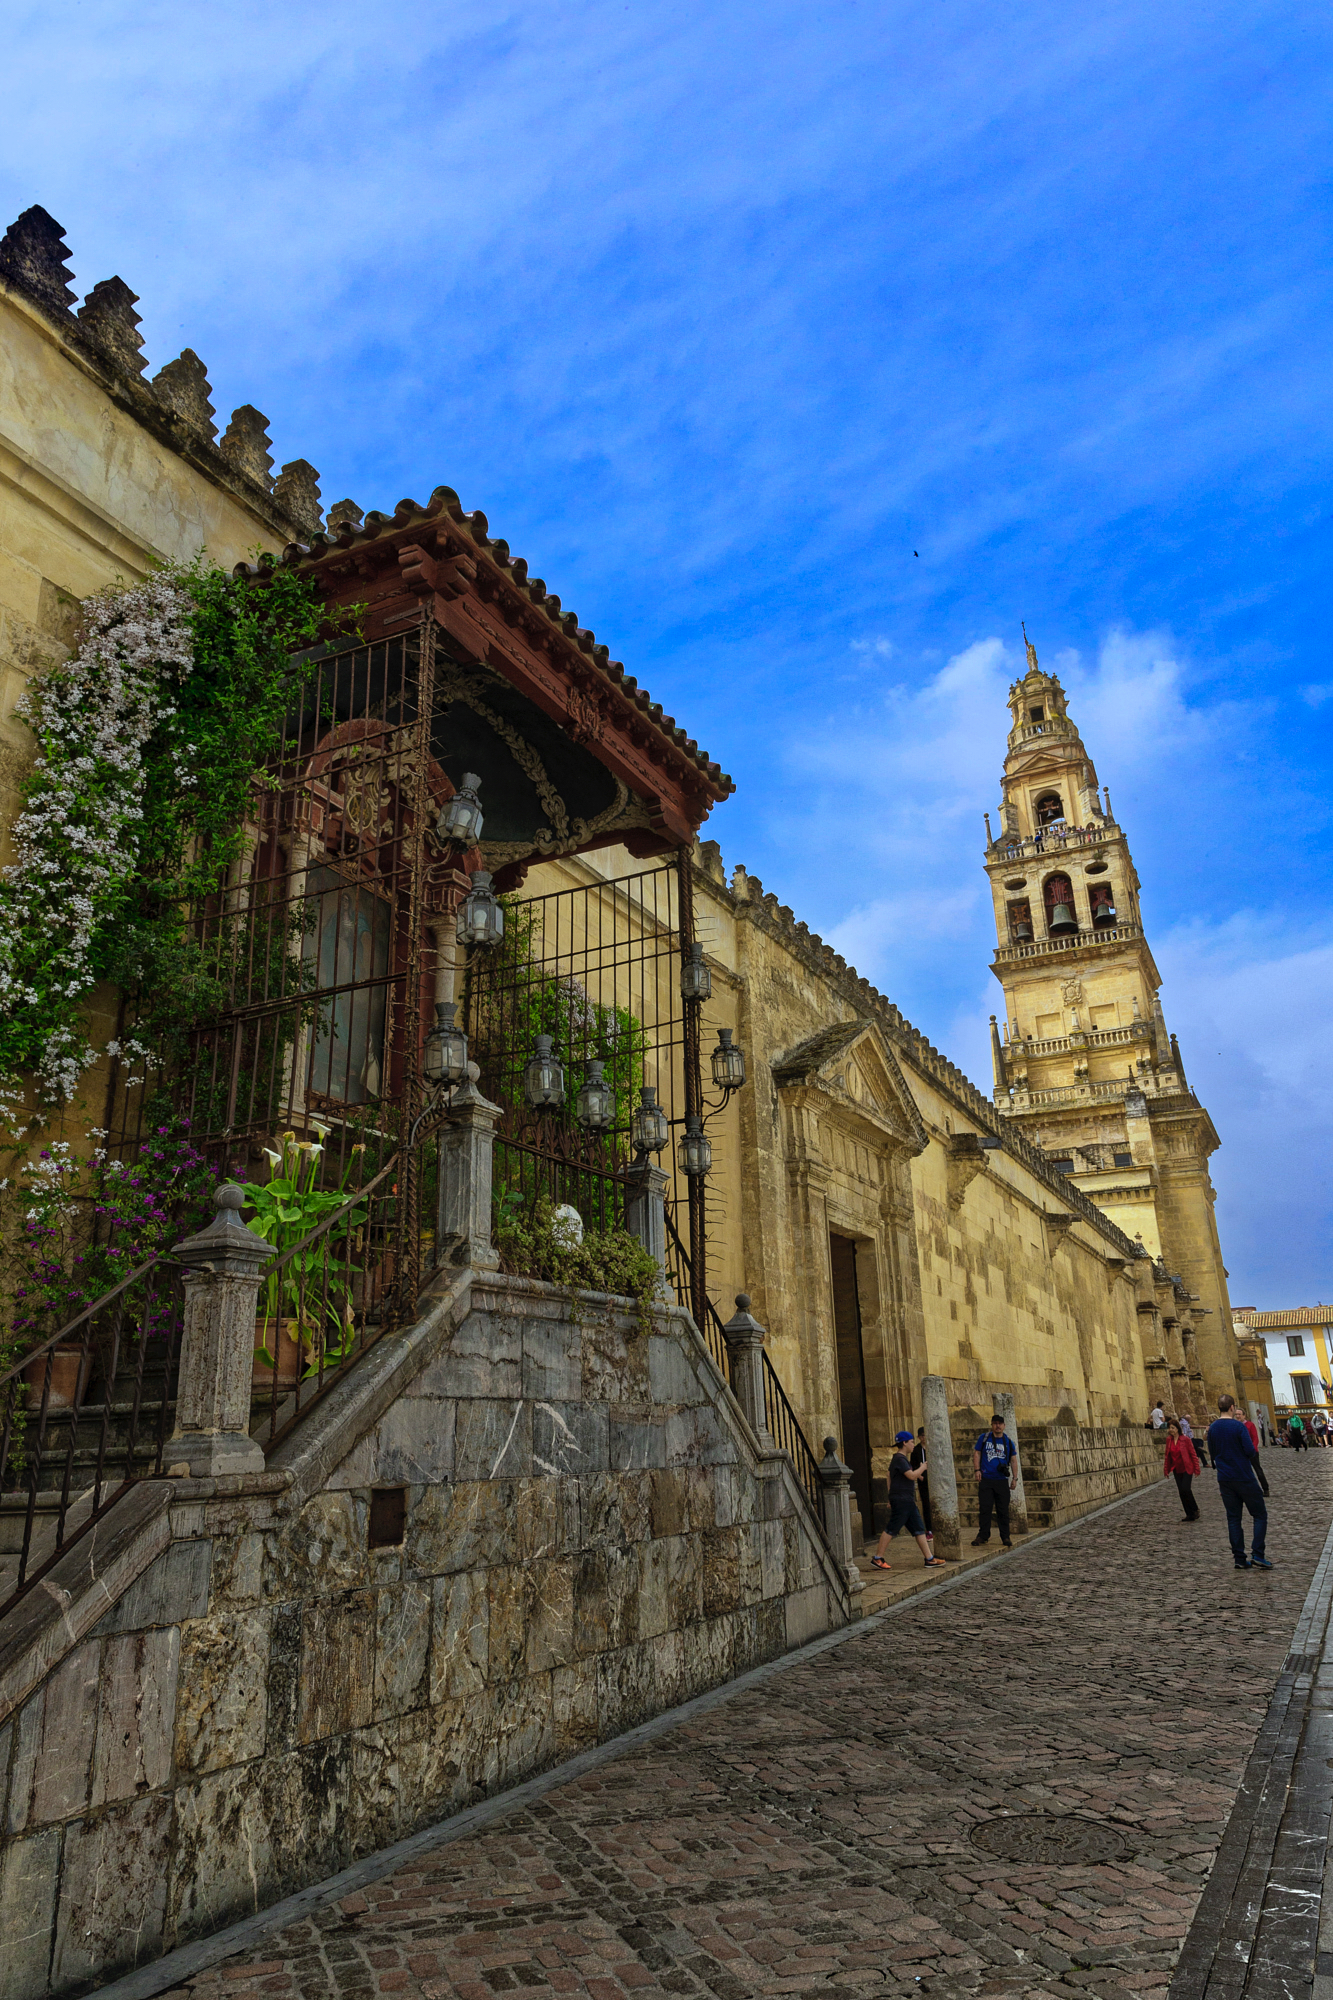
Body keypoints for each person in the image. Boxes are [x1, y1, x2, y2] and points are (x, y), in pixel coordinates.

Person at [1206, 1393, 1272, 1571]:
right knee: (1259, 1515)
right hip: (1243, 1476)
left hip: (1225, 1478)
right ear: (1232, 1407)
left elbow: (1212, 1453)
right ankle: (1258, 1554)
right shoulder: (1238, 1427)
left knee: (1233, 1518)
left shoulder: (1212, 1428)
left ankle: (1239, 1558)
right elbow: (1250, 1451)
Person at [871, 1430, 948, 1571]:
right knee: (891, 1529)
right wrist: (923, 1467)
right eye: (911, 1441)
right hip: (902, 1500)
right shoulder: (900, 1459)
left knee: (919, 1529)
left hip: (906, 1499)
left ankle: (929, 1559)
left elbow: (889, 1475)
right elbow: (911, 1476)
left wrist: (890, 1496)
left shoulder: (899, 1459)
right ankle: (877, 1558)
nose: (913, 1444)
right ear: (904, 1443)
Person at [971, 1412, 1019, 1548]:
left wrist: (1015, 1478)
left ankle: (1005, 1536)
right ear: (992, 1425)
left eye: (1000, 1424)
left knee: (1003, 1510)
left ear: (1004, 1426)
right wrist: (977, 1470)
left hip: (1001, 1480)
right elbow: (977, 1453)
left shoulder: (1008, 1442)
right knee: (985, 1509)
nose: (997, 1426)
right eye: (995, 1423)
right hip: (986, 1479)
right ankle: (983, 1535)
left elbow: (1013, 1460)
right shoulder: (984, 1438)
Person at [1163, 1418, 1201, 1520]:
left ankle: (1194, 1509)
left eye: (1173, 1428)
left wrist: (1197, 1469)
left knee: (1186, 1488)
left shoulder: (1185, 1439)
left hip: (1187, 1468)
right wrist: (1166, 1470)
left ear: (1177, 1428)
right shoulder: (1169, 1440)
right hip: (1176, 1468)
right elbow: (1167, 1455)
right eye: (1169, 1428)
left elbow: (1193, 1454)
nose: (1171, 1430)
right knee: (1181, 1491)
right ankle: (1189, 1513)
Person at [910, 1427, 933, 1541]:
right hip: (923, 1480)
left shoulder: (931, 1447)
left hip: (933, 1479)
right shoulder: (916, 1450)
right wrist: (919, 1476)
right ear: (919, 1437)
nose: (924, 1438)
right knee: (926, 1504)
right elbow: (913, 1465)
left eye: (926, 1435)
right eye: (922, 1436)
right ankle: (928, 1529)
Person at [1243, 1411, 1270, 1497]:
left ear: (1244, 1415)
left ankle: (1265, 1488)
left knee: (1258, 1470)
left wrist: (1253, 1449)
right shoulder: (1235, 1425)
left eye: (1239, 1414)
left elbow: (1255, 1438)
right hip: (1241, 1452)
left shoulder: (1250, 1425)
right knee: (1244, 1471)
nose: (1237, 1416)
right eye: (1236, 1414)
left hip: (1252, 1451)